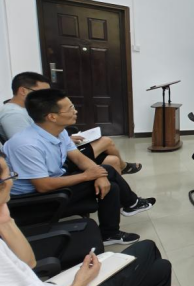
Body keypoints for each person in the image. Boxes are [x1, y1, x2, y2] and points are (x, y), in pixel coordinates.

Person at [0, 153, 185, 286]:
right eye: (8, 175)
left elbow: (28, 263)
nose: (12, 181)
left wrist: (5, 219)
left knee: (160, 269)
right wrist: (78, 284)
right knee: (148, 248)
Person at [3, 89, 154, 245]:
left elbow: (78, 157)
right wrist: (87, 176)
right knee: (108, 171)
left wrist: (99, 175)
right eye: (70, 108)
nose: (75, 111)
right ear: (52, 116)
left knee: (111, 184)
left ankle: (111, 231)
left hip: (54, 181)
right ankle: (131, 204)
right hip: (34, 200)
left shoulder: (58, 131)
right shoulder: (26, 144)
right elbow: (43, 185)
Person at [0, 72, 141, 175]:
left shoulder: (23, 109)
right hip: (51, 159)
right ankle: (124, 169)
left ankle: (124, 197)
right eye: (43, 92)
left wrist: (65, 138)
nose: (48, 97)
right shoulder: (13, 114)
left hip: (59, 148)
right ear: (23, 91)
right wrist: (64, 140)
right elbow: (28, 144)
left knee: (112, 160)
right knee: (106, 142)